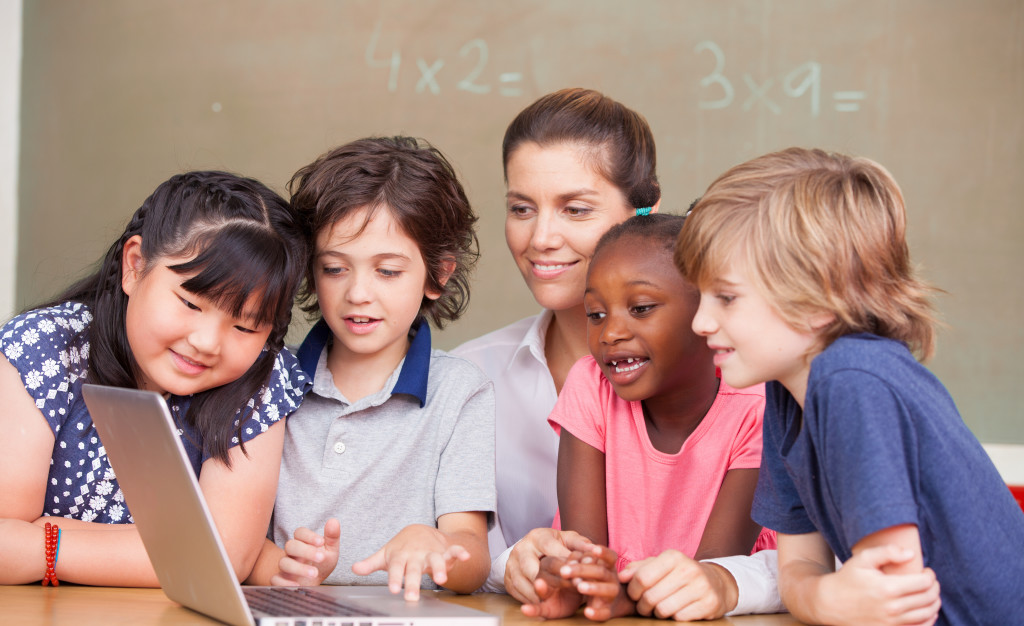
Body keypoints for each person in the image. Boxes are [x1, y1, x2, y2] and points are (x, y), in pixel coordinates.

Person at [452, 87, 783, 619]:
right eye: (521, 208)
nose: (542, 237)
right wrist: (508, 565)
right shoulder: (468, 377)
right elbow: (459, 553)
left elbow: (727, 571)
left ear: (642, 211)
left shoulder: (753, 393)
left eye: (576, 209)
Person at [676, 147, 1024, 625]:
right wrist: (825, 599)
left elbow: (894, 603)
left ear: (820, 300)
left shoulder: (852, 381)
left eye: (727, 298)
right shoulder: (787, 392)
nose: (699, 321)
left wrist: (828, 596)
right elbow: (798, 567)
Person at [0, 171, 311, 586]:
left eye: (244, 327)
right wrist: (180, 548)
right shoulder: (46, 347)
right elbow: (4, 535)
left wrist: (46, 546)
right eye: (190, 302)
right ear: (134, 266)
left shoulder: (262, 379)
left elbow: (221, 559)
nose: (206, 342)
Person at [245, 136, 495, 601]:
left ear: (438, 275)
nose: (358, 293)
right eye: (335, 268)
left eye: (388, 271)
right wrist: (285, 566)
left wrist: (437, 546)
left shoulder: (460, 391)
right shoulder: (267, 379)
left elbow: (473, 558)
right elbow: (235, 538)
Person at [518, 213, 775, 621]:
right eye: (596, 313)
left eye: (640, 308)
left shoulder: (757, 408)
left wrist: (619, 595)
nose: (610, 333)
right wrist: (576, 577)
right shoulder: (591, 387)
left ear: (706, 315)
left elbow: (706, 576)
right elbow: (587, 555)